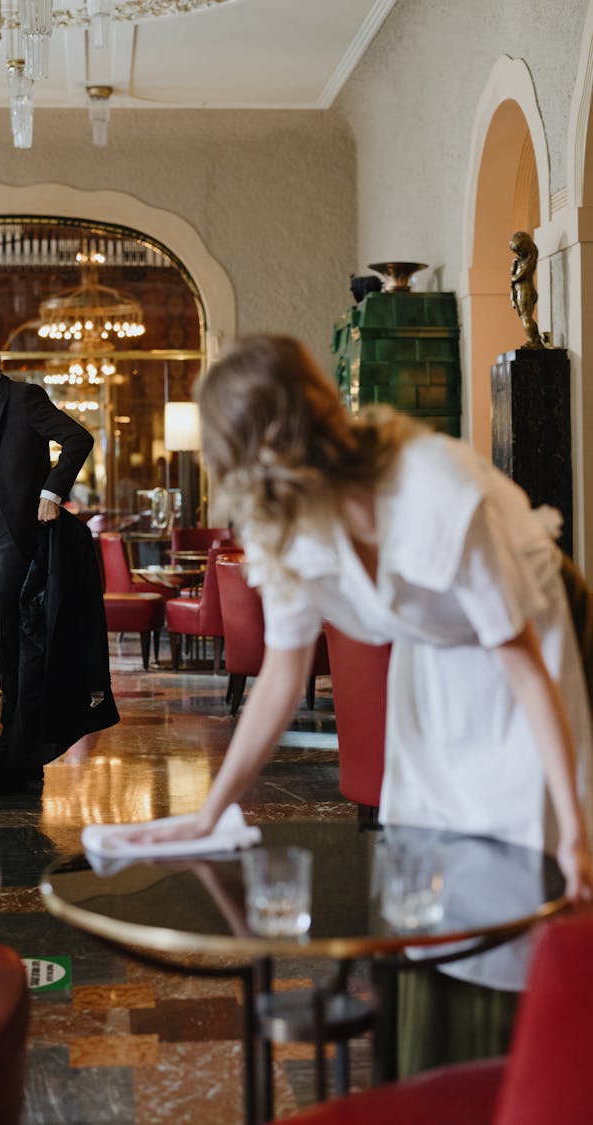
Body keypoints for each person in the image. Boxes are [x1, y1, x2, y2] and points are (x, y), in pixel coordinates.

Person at [135, 334, 593, 905]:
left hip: (532, 631)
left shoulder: (432, 486)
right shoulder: (288, 522)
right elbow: (280, 678)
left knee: (529, 838)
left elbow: (523, 669)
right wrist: (210, 813)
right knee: (430, 848)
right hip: (431, 649)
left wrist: (577, 833)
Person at [0, 322, 97, 798]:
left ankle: (15, 760)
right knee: (5, 652)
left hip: (18, 543)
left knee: (19, 653)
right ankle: (21, 760)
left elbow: (78, 439)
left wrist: (53, 490)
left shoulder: (25, 399)